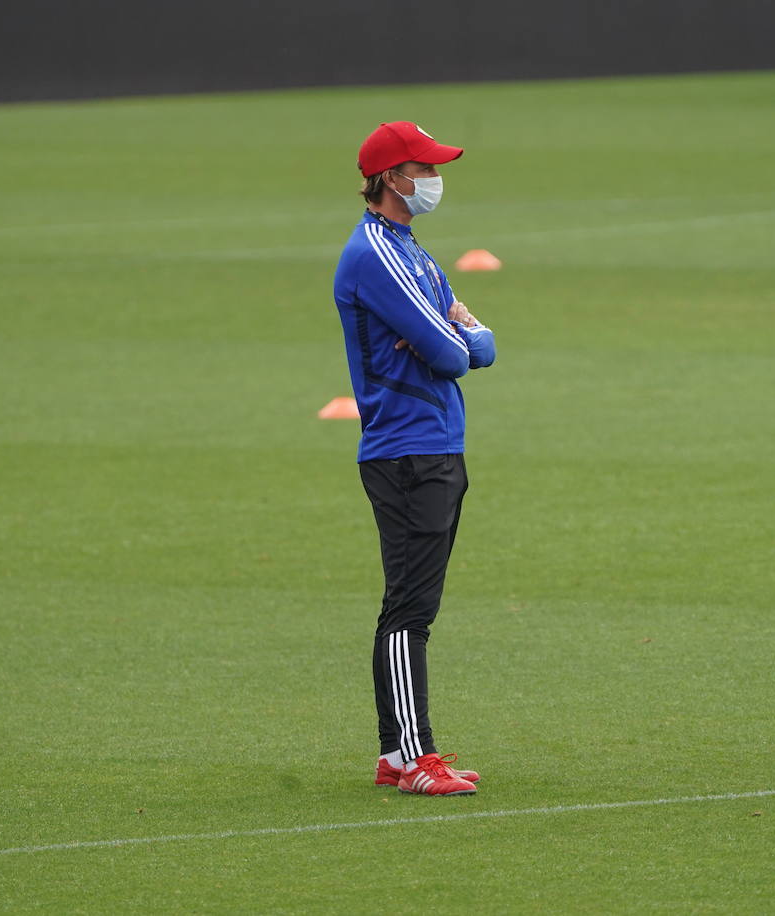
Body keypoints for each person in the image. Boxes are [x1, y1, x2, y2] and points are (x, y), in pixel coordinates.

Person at [332, 122, 496, 796]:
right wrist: (453, 327)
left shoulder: (411, 251)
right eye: (424, 168)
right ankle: (416, 758)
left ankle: (397, 755)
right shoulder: (376, 253)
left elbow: (479, 346)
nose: (433, 179)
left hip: (432, 445)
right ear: (392, 178)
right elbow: (456, 352)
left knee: (408, 606)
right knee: (410, 612)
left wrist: (457, 328)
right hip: (408, 449)